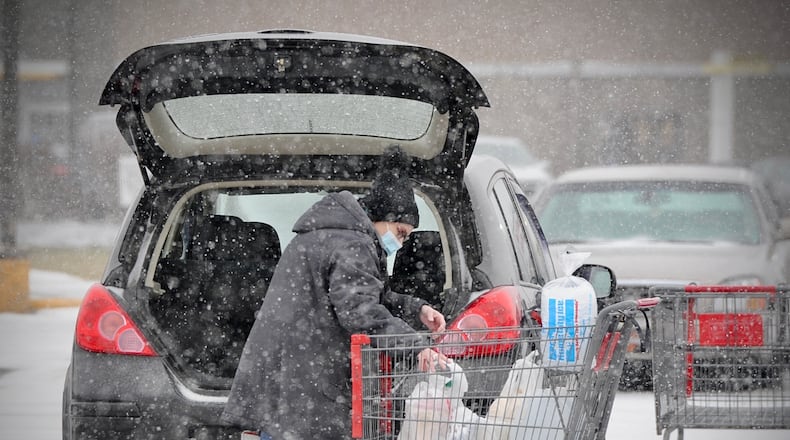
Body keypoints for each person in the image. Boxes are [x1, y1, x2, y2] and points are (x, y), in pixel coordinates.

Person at [222, 145, 448, 439]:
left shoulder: (332, 235)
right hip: (302, 382)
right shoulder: (352, 244)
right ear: (380, 216)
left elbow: (365, 293)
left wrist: (417, 308)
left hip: (282, 375)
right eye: (400, 232)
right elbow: (359, 309)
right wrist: (416, 346)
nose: (401, 244)